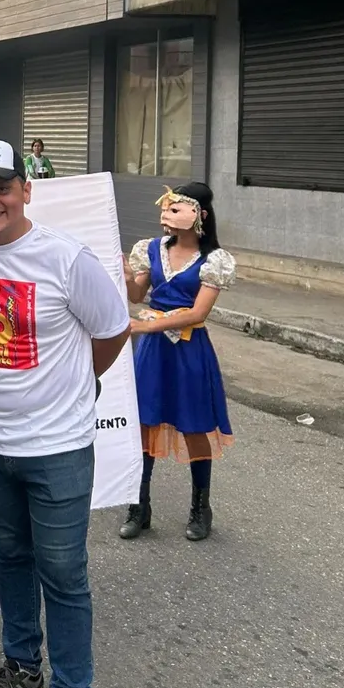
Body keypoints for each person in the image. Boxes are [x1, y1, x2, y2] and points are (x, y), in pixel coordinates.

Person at [0, 138, 130, 688]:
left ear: (26, 190)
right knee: (12, 557)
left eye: (1, 187)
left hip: (56, 448)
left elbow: (111, 330)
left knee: (64, 573)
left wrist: (80, 386)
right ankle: (23, 667)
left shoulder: (66, 258)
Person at [121, 183, 236, 543]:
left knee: (195, 425)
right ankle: (139, 507)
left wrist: (146, 324)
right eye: (165, 210)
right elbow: (138, 294)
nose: (166, 217)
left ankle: (201, 507)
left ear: (199, 215)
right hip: (153, 351)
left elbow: (199, 312)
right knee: (143, 422)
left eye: (175, 210)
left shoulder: (214, 259)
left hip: (189, 351)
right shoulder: (150, 249)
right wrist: (125, 274)